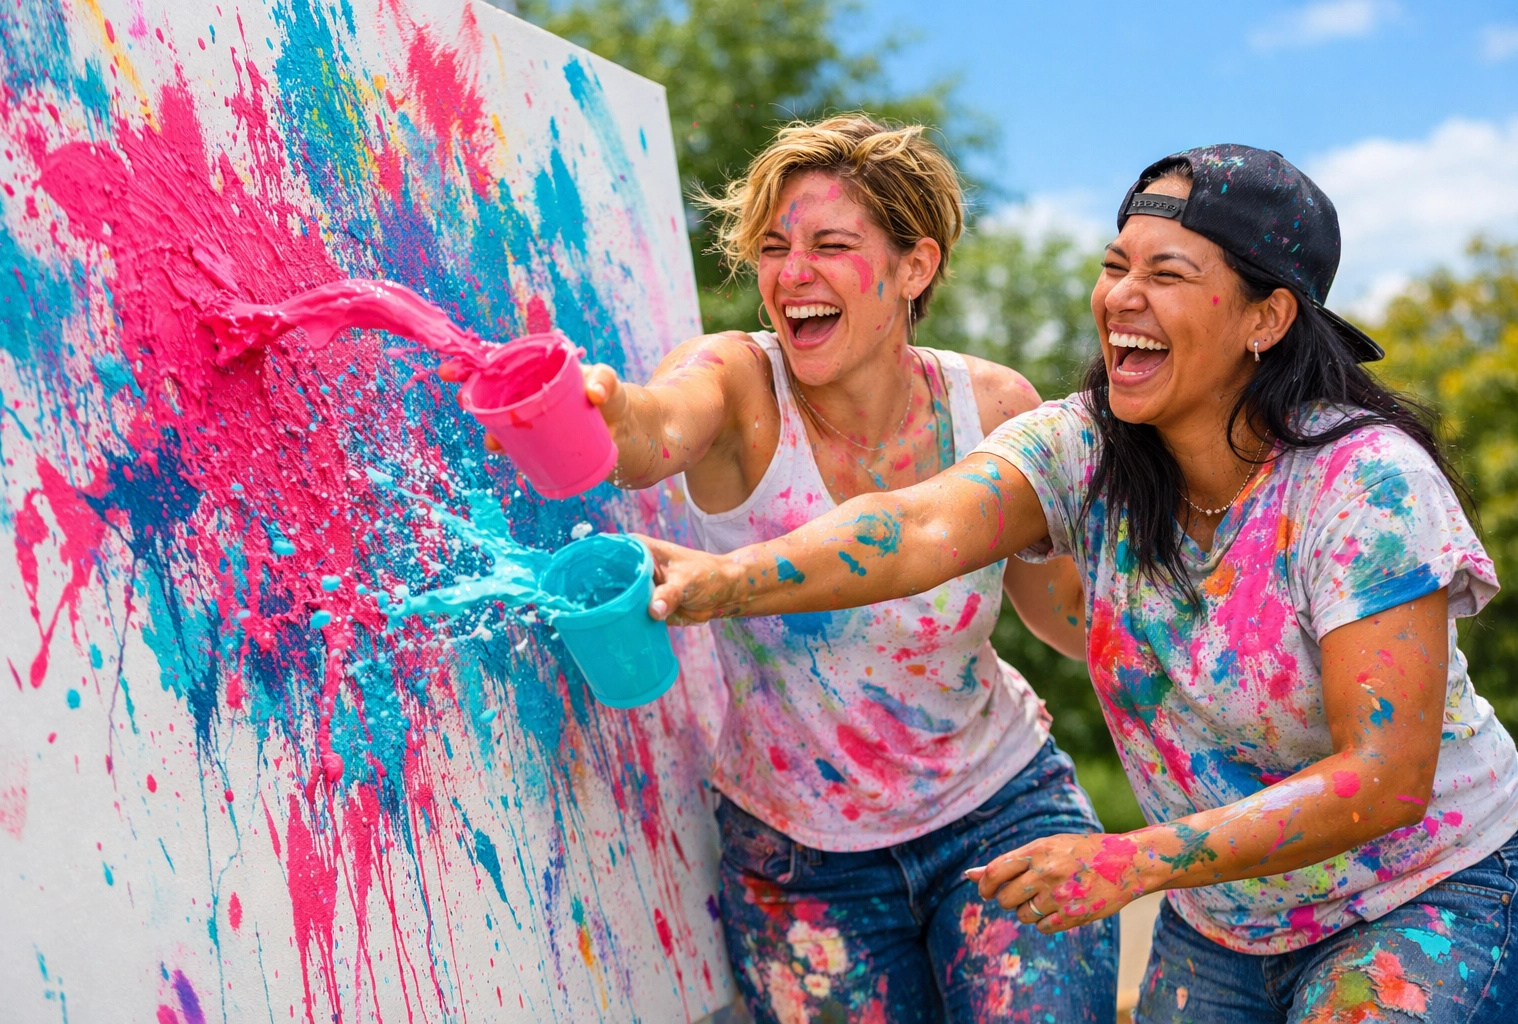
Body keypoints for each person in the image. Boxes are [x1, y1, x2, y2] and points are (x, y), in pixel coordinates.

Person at [644, 144, 1518, 1023]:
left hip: (1426, 891)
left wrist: (1135, 860)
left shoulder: (1365, 484)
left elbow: (1386, 777)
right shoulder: (1080, 448)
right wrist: (725, 579)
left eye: (1167, 272)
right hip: (1227, 920)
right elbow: (915, 527)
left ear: (1268, 317)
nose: (1123, 296)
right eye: (1115, 266)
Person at [457, 115, 1118, 1021]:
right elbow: (654, 429)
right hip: (802, 861)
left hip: (1001, 806)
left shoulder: (995, 405)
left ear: (914, 267)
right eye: (774, 247)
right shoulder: (736, 381)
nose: (792, 272)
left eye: (831, 244)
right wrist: (600, 414)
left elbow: (1063, 612)